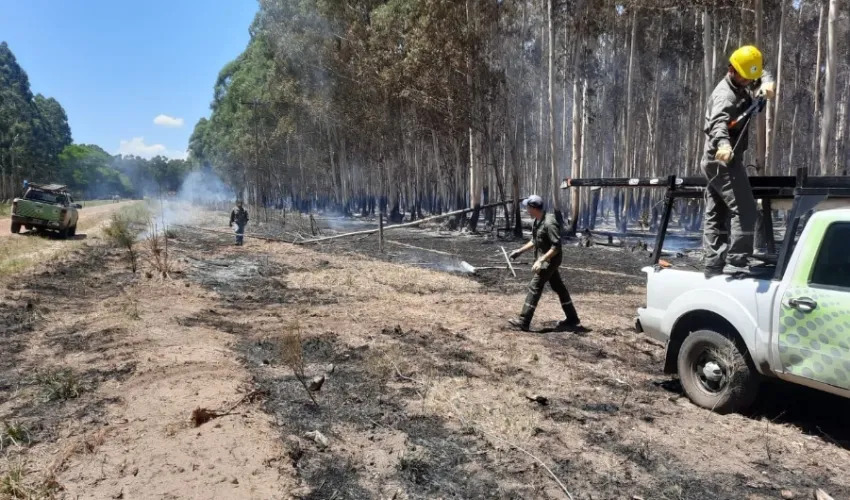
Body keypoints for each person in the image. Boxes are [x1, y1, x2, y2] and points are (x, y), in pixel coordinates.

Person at [702, 45, 776, 278]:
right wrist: (723, 144)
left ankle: (713, 266)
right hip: (721, 158)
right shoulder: (725, 94)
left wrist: (766, 81)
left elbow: (759, 75)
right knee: (745, 210)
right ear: (732, 70)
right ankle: (737, 262)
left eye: (751, 79)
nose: (748, 82)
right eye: (745, 78)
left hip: (727, 158)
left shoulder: (743, 79)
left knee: (717, 211)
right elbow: (718, 124)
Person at [507, 195, 581, 332]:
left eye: (528, 208)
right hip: (545, 260)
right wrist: (519, 251)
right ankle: (572, 318)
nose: (527, 210)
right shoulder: (537, 221)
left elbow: (556, 246)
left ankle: (524, 321)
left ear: (534, 208)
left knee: (535, 286)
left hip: (550, 261)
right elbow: (535, 241)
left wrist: (541, 260)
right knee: (559, 287)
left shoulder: (549, 222)